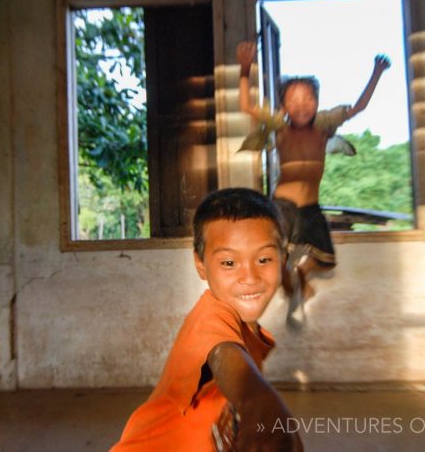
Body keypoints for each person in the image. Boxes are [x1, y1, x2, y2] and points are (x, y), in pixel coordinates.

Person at [111, 188, 303, 452]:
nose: (249, 277)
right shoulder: (211, 317)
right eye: (228, 263)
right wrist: (260, 404)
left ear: (283, 260)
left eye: (263, 259)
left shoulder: (248, 327)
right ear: (201, 264)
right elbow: (226, 356)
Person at [236, 41, 390, 327]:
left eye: (308, 99)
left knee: (327, 259)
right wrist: (245, 69)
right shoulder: (278, 126)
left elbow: (359, 107)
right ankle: (287, 279)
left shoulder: (324, 125)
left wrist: (376, 73)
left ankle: (302, 274)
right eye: (293, 100)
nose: (301, 105)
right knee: (274, 252)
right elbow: (246, 106)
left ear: (317, 103)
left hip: (310, 206)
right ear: (283, 106)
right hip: (283, 203)